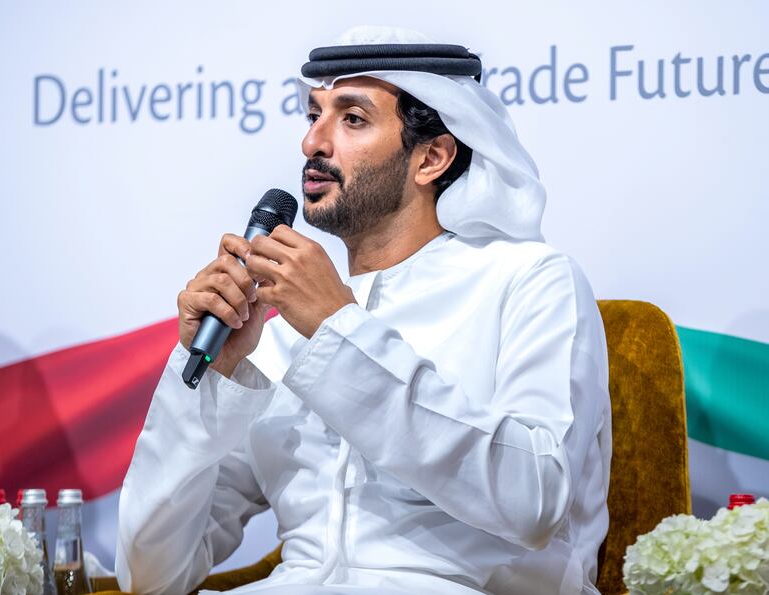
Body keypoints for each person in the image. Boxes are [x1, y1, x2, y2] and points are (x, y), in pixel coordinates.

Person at [116, 26, 611, 595]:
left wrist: (339, 332)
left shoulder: (528, 281)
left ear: (432, 157)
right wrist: (208, 377)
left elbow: (536, 500)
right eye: (312, 116)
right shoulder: (277, 338)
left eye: (352, 119)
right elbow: (151, 578)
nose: (312, 144)